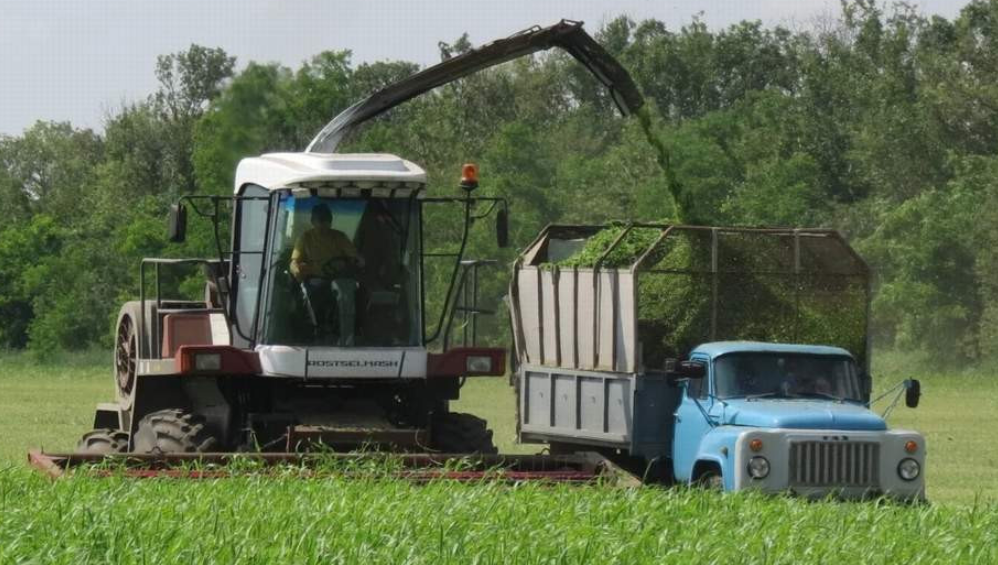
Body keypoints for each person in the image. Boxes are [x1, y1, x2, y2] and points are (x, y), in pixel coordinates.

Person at [290, 204, 362, 345]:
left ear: (331, 221)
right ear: (313, 221)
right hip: (314, 279)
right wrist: (296, 270)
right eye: (320, 220)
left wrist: (359, 260)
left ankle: (348, 333)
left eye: (326, 220)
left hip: (337, 279)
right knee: (312, 294)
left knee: (351, 292)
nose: (323, 224)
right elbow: (294, 262)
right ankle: (315, 329)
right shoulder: (305, 238)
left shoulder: (339, 237)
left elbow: (354, 255)